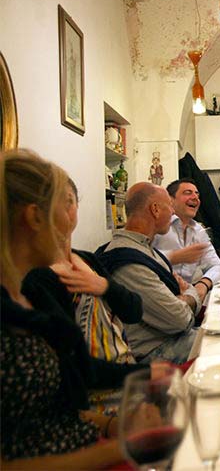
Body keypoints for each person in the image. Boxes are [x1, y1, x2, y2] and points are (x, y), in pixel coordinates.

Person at [0, 149, 147, 467]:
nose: (68, 220)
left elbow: (57, 408)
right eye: (60, 205)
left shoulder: (20, 298)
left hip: (93, 437)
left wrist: (113, 428)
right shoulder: (30, 290)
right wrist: (123, 447)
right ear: (35, 217)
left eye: (72, 203)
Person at [98, 182, 203, 364]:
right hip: (154, 353)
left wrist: (184, 296)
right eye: (169, 206)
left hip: (173, 337)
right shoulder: (127, 261)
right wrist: (189, 296)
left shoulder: (147, 251)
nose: (172, 212)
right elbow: (181, 319)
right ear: (155, 209)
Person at [50, 178, 142, 365]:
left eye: (69, 200)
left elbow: (134, 310)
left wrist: (105, 286)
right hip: (100, 386)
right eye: (54, 200)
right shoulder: (41, 273)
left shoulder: (86, 259)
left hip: (126, 364)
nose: (64, 208)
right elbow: (74, 362)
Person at [153, 178, 220, 298]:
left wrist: (204, 284)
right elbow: (138, 260)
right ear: (170, 199)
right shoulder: (157, 226)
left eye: (197, 194)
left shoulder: (198, 230)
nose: (195, 197)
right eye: (187, 193)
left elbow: (217, 266)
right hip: (159, 296)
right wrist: (173, 257)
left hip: (189, 296)